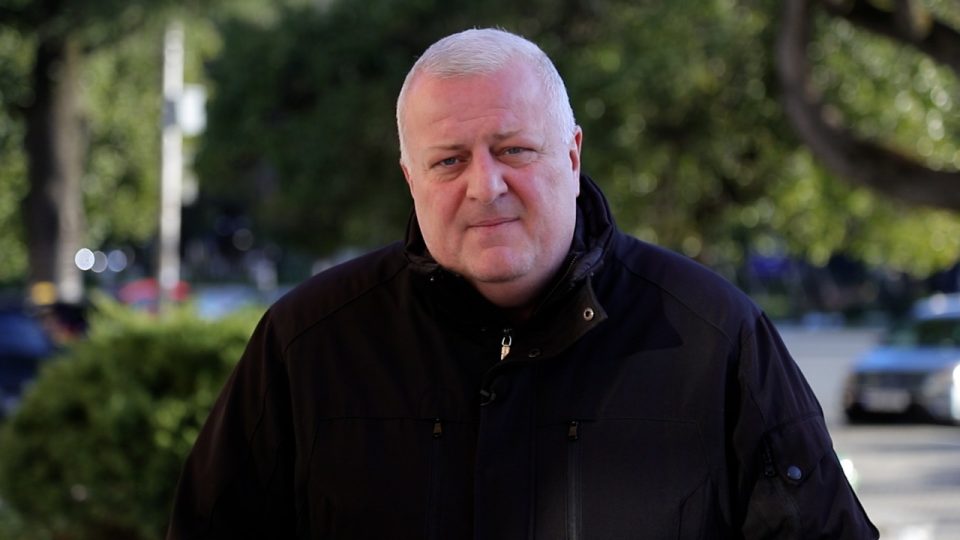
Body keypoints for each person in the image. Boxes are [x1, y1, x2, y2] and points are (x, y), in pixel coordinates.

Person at [167, 28, 878, 539]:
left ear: (572, 154)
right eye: (449, 161)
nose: (486, 186)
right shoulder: (307, 347)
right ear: (411, 179)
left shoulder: (714, 339)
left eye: (513, 149)